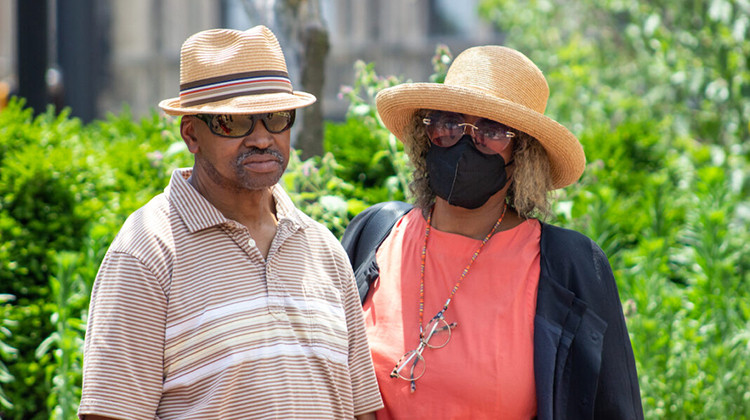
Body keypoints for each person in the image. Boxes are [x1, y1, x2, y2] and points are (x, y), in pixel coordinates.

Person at [78, 26, 382, 420]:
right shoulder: (146, 254)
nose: (261, 138)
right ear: (192, 134)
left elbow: (360, 410)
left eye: (276, 117)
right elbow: (111, 413)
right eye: (233, 122)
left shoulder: (322, 249)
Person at [342, 46, 643, 419]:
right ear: (426, 136)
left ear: (525, 155)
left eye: (492, 131)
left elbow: (613, 408)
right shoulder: (375, 236)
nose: (466, 142)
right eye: (448, 124)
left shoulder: (570, 267)